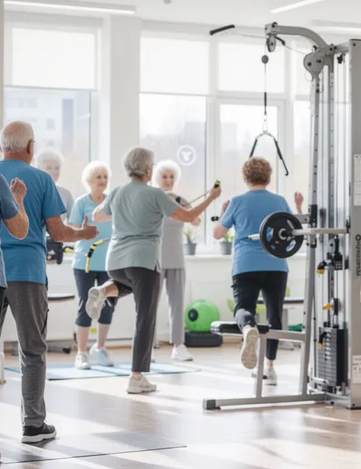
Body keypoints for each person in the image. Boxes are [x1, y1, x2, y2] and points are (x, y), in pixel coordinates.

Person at [88, 147, 220, 395]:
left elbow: (97, 215)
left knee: (125, 285)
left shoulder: (117, 192)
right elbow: (189, 215)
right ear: (148, 169)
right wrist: (211, 197)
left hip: (115, 261)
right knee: (144, 319)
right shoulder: (156, 194)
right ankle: (136, 377)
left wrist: (120, 213)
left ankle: (103, 289)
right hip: (144, 261)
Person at [0, 121, 98, 443]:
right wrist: (83, 233)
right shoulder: (41, 179)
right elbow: (58, 233)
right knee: (32, 349)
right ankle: (33, 424)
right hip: (26, 272)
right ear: (30, 147)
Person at [213, 157, 300, 385]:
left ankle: (249, 328)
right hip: (276, 265)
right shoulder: (279, 201)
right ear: (268, 176)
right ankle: (269, 368)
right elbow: (295, 230)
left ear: (245, 177)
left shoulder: (238, 202)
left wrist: (224, 213)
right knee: (274, 315)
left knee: (243, 308)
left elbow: (217, 234)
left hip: (246, 264)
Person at [152, 160, 202, 363]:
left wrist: (187, 208)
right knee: (150, 305)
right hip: (154, 259)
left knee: (177, 304)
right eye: (164, 176)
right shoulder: (153, 199)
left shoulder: (181, 200)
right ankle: (149, 346)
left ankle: (178, 346)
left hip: (177, 259)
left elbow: (196, 221)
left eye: (171, 177)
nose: (168, 180)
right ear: (157, 178)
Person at [70, 161, 116, 370]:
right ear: (89, 180)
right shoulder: (81, 202)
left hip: (109, 261)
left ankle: (100, 347)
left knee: (108, 303)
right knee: (86, 304)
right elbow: (72, 227)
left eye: (105, 177)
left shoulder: (112, 202)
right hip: (84, 262)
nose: (103, 181)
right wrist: (82, 228)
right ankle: (81, 352)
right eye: (98, 177)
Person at [37, 148, 74, 220]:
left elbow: (73, 222)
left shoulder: (66, 193)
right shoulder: (33, 191)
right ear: (39, 169)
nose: (53, 172)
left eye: (57, 168)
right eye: (49, 168)